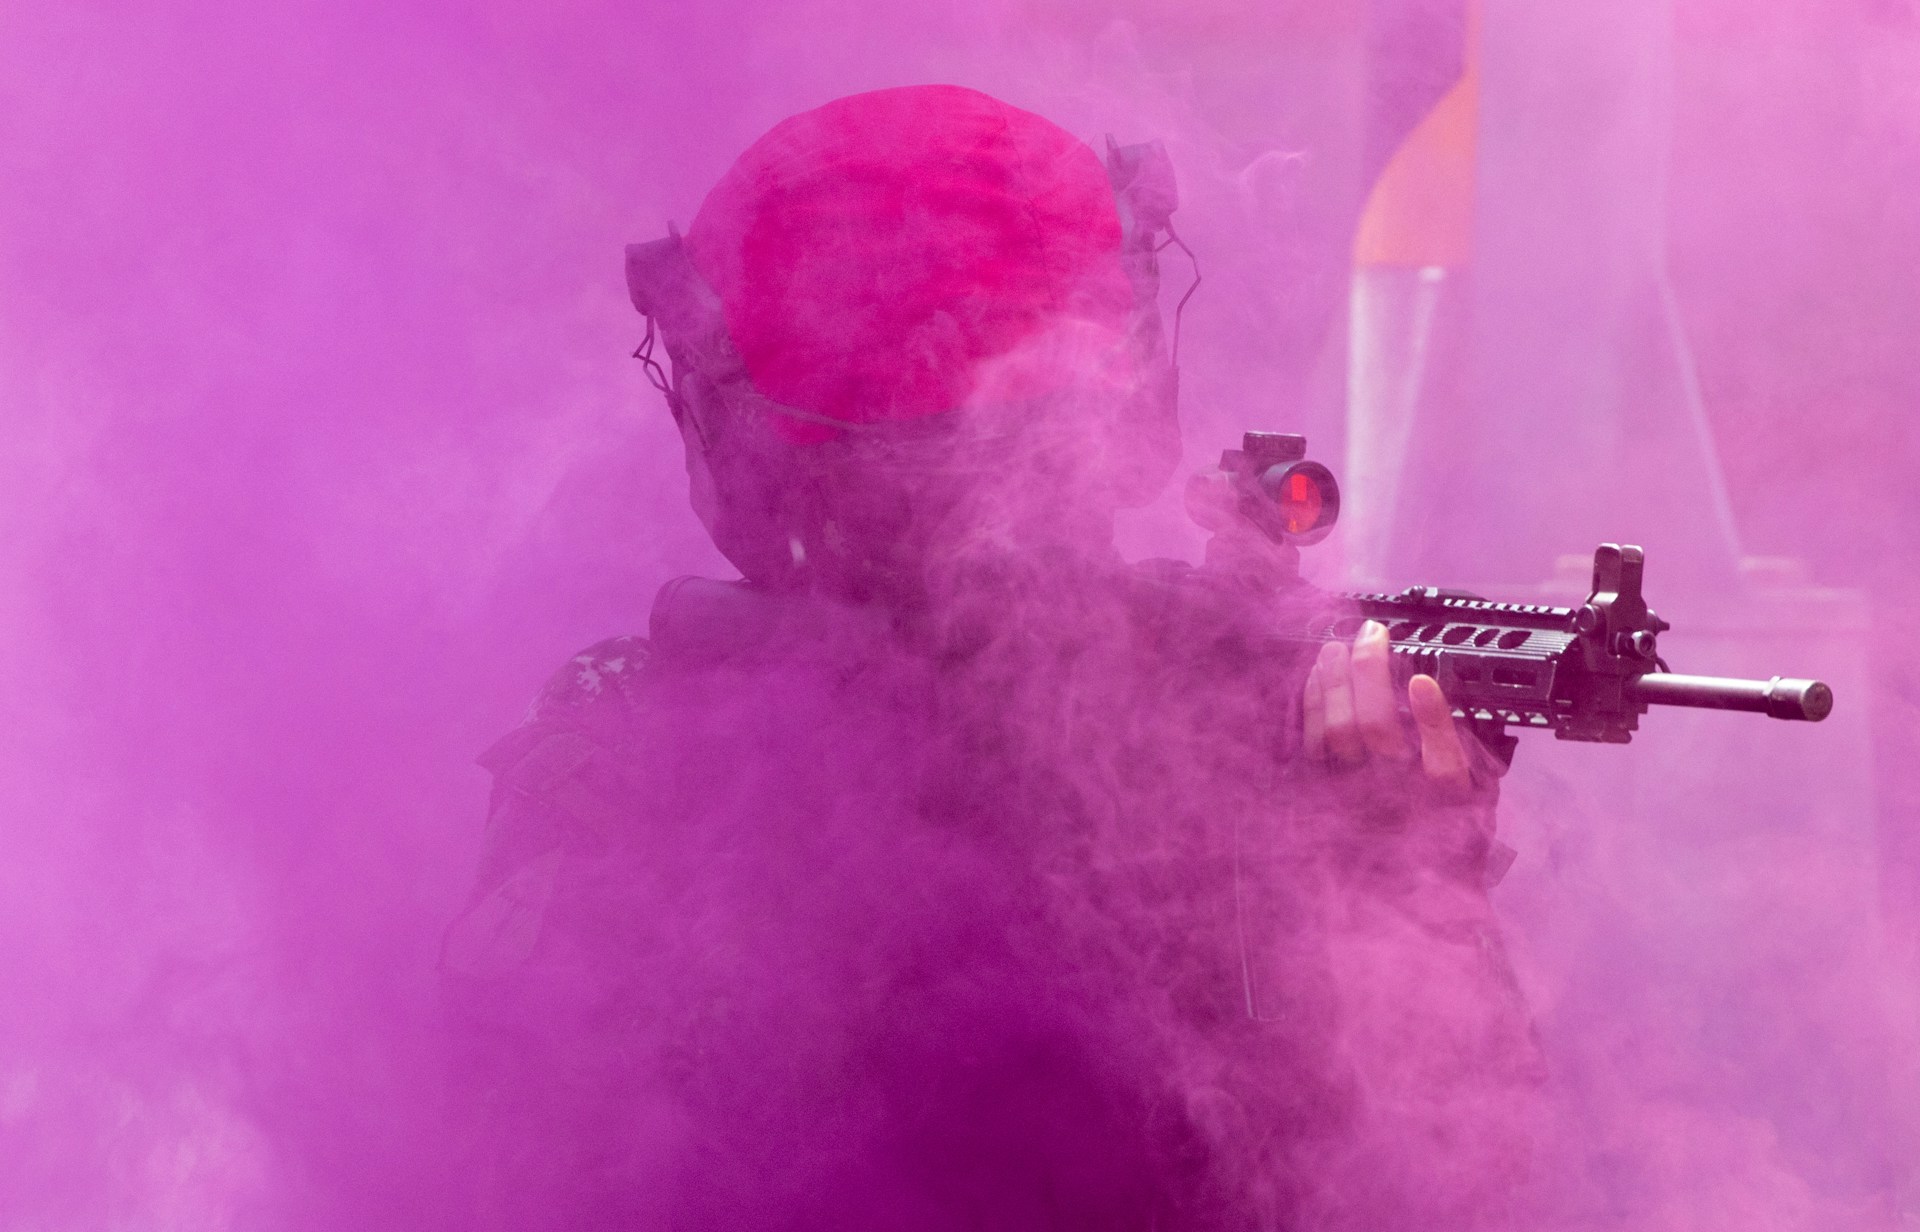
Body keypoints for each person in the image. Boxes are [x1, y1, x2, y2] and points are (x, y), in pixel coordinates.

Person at [441, 84, 1537, 1231]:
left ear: (742, 433)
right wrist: (1406, 884)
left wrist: (1399, 886)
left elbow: (496, 1152)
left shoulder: (632, 736)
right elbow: (1459, 1177)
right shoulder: (1237, 709)